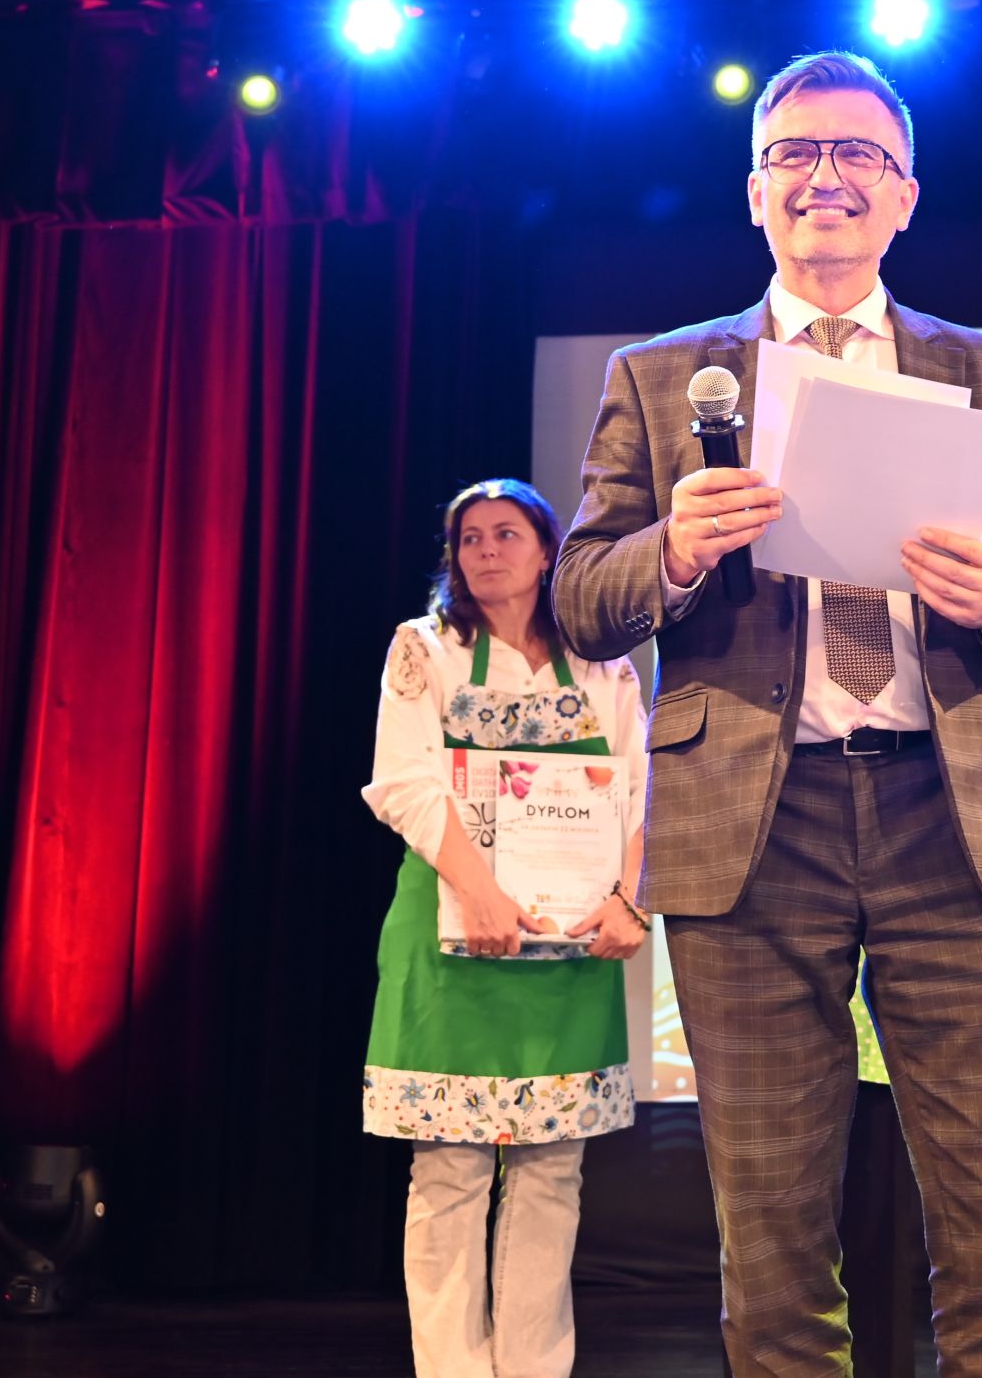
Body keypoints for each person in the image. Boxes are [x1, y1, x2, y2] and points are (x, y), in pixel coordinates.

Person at [553, 51, 982, 1378]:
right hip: (755, 824)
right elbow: (582, 599)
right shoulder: (663, 377)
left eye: (858, 153)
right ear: (754, 191)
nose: (824, 177)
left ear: (905, 194)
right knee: (772, 1239)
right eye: (793, 152)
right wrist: (675, 549)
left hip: (950, 815)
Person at [360, 478, 650, 1378]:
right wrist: (480, 891)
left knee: (551, 1174)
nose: (487, 550)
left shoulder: (603, 663)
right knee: (450, 1173)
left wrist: (632, 899)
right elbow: (402, 782)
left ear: (547, 548)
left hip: (568, 949)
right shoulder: (425, 648)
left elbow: (645, 791)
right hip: (451, 938)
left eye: (506, 533)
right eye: (470, 537)